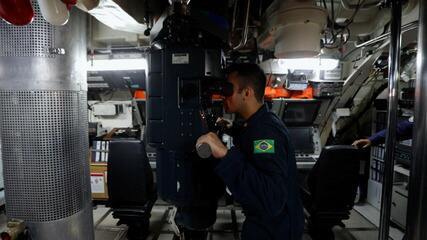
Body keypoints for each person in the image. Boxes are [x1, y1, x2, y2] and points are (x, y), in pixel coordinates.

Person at [196, 63, 304, 240]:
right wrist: (231, 127)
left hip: (276, 229)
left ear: (247, 93)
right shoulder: (260, 121)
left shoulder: (265, 132)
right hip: (269, 221)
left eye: (229, 89)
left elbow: (272, 199)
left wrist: (224, 154)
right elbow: (250, 138)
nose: (224, 95)